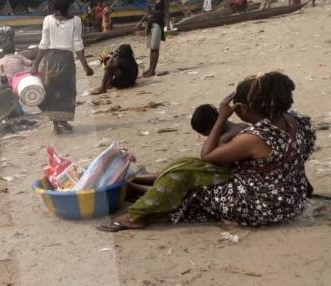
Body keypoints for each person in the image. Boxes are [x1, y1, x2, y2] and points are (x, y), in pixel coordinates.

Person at [99, 72, 315, 231]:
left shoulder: (255, 137)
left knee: (186, 179)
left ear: (245, 109)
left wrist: (221, 116)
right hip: (290, 196)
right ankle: (138, 188)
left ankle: (136, 216)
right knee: (189, 166)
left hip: (264, 206)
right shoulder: (297, 120)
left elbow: (207, 155)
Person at [31, 0, 94, 134]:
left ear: (56, 9)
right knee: (67, 92)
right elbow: (78, 44)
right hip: (66, 61)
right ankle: (62, 121)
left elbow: (44, 43)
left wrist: (36, 64)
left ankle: (56, 125)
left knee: (52, 92)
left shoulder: (47, 20)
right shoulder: (76, 21)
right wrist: (86, 66)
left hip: (51, 60)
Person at [136, 0, 169, 78]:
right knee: (152, 48)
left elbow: (166, 12)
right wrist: (140, 22)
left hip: (158, 24)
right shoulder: (149, 1)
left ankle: (152, 70)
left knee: (155, 47)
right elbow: (147, 13)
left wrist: (168, 26)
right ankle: (150, 69)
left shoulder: (163, 1)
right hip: (149, 24)